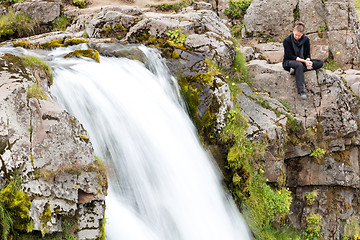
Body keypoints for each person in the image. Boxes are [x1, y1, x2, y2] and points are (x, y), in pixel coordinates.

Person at [282, 22, 324, 100]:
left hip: (302, 61)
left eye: (299, 35)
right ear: (293, 32)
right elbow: (290, 56)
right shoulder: (287, 40)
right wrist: (304, 62)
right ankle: (301, 91)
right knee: (299, 65)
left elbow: (307, 54)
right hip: (289, 62)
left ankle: (296, 71)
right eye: (296, 35)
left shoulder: (306, 40)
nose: (297, 37)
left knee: (320, 62)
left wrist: (308, 61)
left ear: (302, 34)